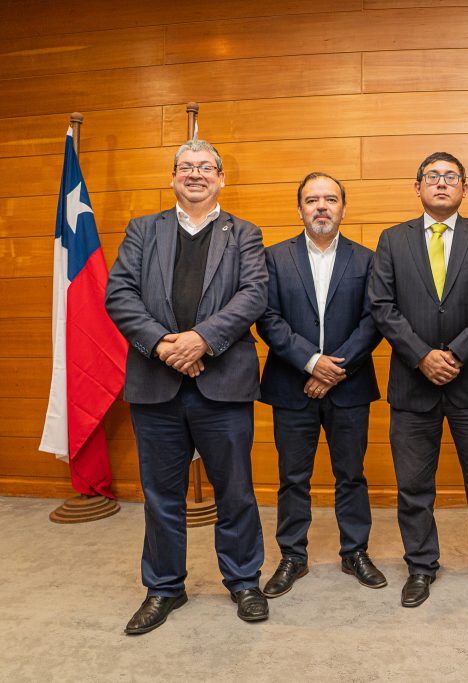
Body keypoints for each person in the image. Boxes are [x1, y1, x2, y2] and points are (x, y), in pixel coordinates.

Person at [106, 139, 269, 634]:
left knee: (235, 491)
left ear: (221, 177)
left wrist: (201, 340)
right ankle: (163, 588)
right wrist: (163, 345)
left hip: (224, 384)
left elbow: (253, 295)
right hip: (155, 383)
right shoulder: (143, 230)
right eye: (185, 167)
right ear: (173, 176)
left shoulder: (244, 233)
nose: (195, 174)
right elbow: (120, 293)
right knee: (161, 495)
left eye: (205, 167)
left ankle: (243, 581)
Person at [367, 152, 468, 607]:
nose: (442, 183)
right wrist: (421, 356)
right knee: (413, 485)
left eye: (451, 177)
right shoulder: (392, 240)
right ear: (418, 187)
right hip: (412, 385)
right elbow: (382, 306)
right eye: (433, 176)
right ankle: (420, 566)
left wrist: (455, 353)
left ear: (465, 188)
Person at [256, 172, 385, 599]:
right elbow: (268, 319)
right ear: (300, 209)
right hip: (291, 386)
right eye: (312, 200)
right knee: (293, 477)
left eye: (330, 199)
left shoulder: (367, 260)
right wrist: (311, 363)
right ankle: (293, 556)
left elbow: (373, 321)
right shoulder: (274, 258)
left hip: (350, 386)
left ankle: (355, 552)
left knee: (352, 474)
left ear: (343, 208)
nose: (322, 207)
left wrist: (333, 369)